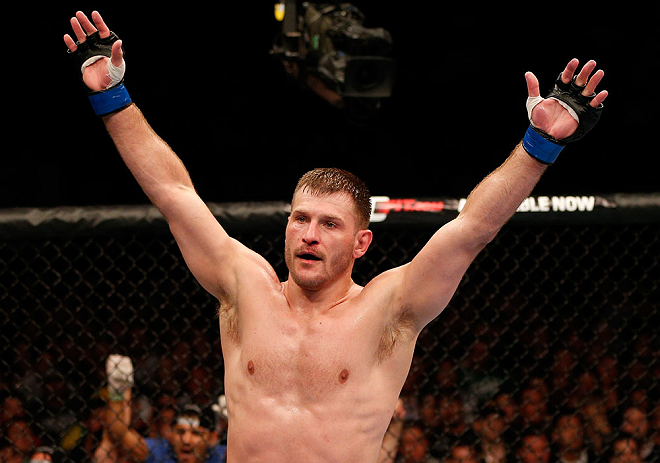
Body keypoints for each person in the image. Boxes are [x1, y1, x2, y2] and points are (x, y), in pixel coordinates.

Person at [62, 10, 608, 462]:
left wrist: (539, 146)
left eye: (329, 225)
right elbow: (173, 194)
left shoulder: (389, 307)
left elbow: (472, 229)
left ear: (360, 244)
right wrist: (113, 97)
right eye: (300, 219)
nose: (309, 235)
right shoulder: (244, 287)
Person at [100, 355, 226, 463]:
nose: (186, 441)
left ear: (212, 438)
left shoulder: (222, 455)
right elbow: (118, 433)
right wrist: (117, 391)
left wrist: (237, 422)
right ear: (170, 434)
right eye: (180, 432)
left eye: (196, 433)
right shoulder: (160, 452)